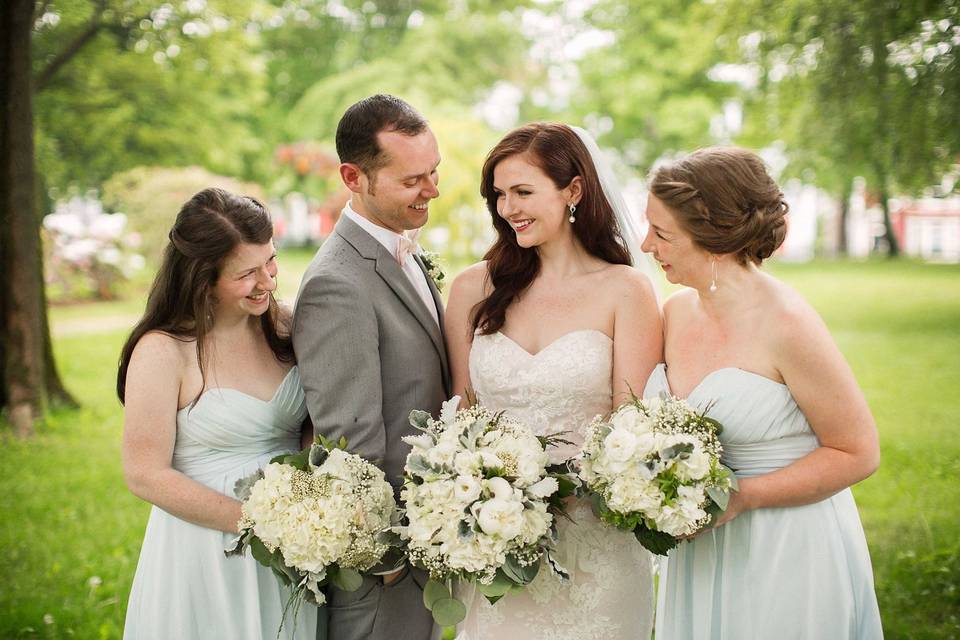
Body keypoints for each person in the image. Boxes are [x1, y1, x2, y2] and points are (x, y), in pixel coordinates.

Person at [641, 147, 883, 638]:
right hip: (700, 550)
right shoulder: (676, 313)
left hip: (786, 545)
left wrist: (741, 498)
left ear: (714, 240)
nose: (647, 245)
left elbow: (858, 452)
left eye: (662, 233)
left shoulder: (787, 324)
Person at [445, 122, 661, 639]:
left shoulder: (625, 290)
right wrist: (482, 498)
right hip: (499, 543)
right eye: (499, 194)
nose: (508, 208)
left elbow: (632, 424)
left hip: (597, 541)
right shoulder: (473, 288)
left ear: (574, 191)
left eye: (523, 191)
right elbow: (461, 410)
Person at [119, 188, 315, 639]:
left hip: (294, 546)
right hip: (205, 550)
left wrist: (312, 505)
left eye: (270, 261)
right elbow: (144, 474)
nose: (267, 281)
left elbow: (309, 421)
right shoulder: (164, 351)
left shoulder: (283, 327)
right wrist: (259, 523)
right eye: (247, 273)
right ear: (203, 279)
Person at [292, 94, 449, 640]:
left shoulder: (402, 247)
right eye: (413, 181)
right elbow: (347, 440)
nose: (432, 190)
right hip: (387, 571)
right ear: (353, 177)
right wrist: (385, 559)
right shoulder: (337, 282)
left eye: (434, 172)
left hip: (431, 543)